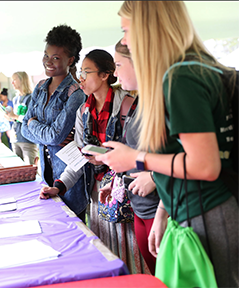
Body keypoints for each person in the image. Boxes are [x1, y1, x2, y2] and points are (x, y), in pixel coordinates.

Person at [95, 2, 239, 286]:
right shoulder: (196, 67)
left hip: (207, 213)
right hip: (204, 209)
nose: (124, 39)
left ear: (149, 27)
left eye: (126, 30)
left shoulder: (180, 77)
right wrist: (165, 211)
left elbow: (204, 165)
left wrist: (136, 158)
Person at [37, 48, 145, 273]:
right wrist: (60, 185)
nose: (81, 79)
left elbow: (140, 153)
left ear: (105, 75)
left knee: (132, 258)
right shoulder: (83, 112)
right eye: (80, 73)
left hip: (127, 196)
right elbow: (79, 155)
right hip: (97, 196)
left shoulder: (129, 106)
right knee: (105, 256)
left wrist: (107, 159)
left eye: (86, 73)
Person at [98, 40, 159, 275]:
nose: (116, 73)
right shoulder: (138, 102)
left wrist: (154, 175)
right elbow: (133, 150)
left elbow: (184, 154)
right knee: (157, 275)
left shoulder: (161, 101)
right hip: (139, 206)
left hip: (159, 206)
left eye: (119, 65)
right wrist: (115, 181)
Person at [21, 24, 87, 221]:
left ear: (71, 60)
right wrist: (42, 130)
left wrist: (34, 124)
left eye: (56, 57)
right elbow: (24, 129)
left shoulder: (76, 94)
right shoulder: (40, 88)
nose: (48, 62)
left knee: (73, 230)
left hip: (69, 176)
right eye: (46, 56)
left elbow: (55, 135)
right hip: (45, 174)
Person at [6, 71, 39, 165]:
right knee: (18, 169)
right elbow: (17, 118)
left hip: (28, 139)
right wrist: (10, 117)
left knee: (31, 169)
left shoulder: (32, 98)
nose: (12, 83)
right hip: (15, 138)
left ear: (22, 80)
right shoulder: (15, 98)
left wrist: (15, 116)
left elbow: (31, 119)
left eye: (14, 80)